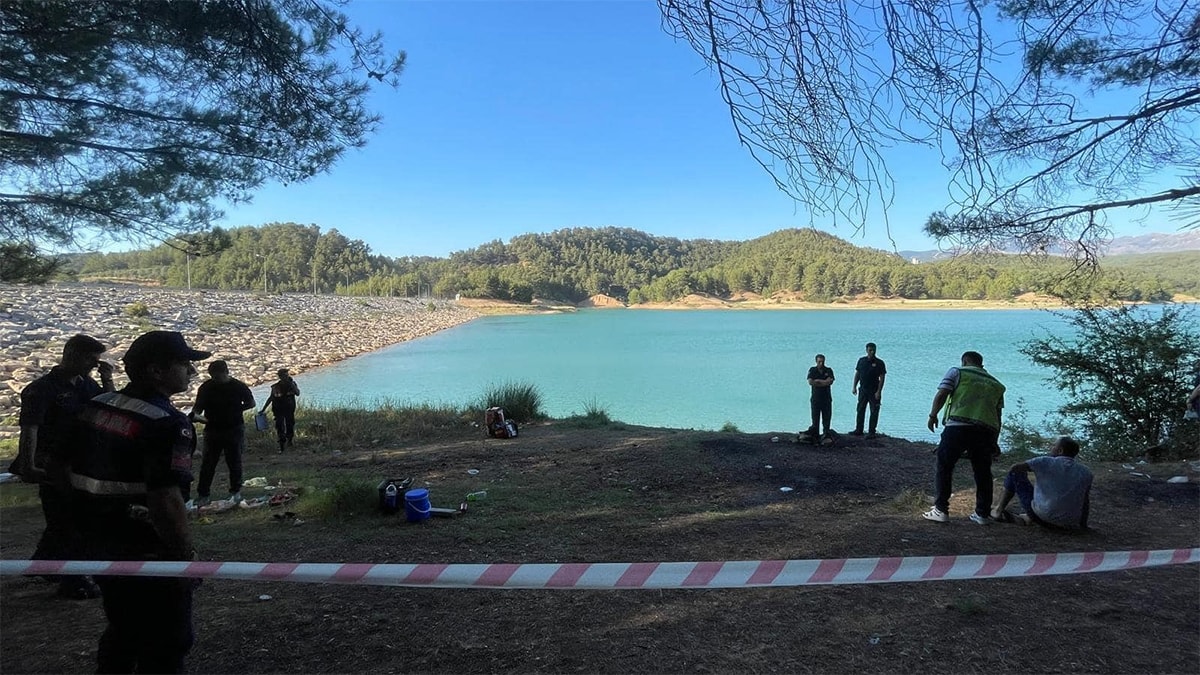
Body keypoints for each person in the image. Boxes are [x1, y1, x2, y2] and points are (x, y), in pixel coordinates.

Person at [69, 330, 210, 673]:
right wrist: (184, 557)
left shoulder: (97, 405)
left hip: (96, 539)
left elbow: (62, 468)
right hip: (146, 548)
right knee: (169, 640)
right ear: (156, 371)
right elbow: (166, 500)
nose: (191, 373)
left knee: (123, 628)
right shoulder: (167, 424)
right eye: (184, 364)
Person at [10, 334, 114, 599]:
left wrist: (107, 379)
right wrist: (28, 464)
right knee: (69, 520)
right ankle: (73, 580)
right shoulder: (41, 389)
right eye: (91, 360)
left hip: (77, 460)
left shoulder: (85, 384)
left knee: (63, 517)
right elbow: (30, 429)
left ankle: (44, 564)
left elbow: (108, 406)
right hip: (52, 462)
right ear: (72, 355)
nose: (94, 365)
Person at [923, 350, 1006, 525]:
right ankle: (982, 514)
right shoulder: (996, 384)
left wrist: (932, 415)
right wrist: (995, 441)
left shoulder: (958, 371)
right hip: (985, 431)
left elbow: (942, 393)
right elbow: (998, 415)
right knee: (983, 472)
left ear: (965, 361)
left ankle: (941, 510)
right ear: (981, 364)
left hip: (958, 426)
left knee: (945, 465)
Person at [190, 360, 255, 507]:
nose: (216, 379)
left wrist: (236, 410)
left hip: (234, 428)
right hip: (212, 430)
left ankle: (236, 492)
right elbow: (197, 410)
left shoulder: (238, 386)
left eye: (218, 376)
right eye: (213, 376)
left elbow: (251, 403)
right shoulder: (206, 387)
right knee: (208, 463)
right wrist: (196, 417)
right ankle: (203, 494)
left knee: (234, 461)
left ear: (226, 372)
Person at [991, 436, 1093, 529]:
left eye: (1054, 445)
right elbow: (1085, 500)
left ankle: (998, 511)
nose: (1051, 447)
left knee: (1014, 473)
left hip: (1044, 516)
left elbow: (1014, 468)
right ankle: (1028, 518)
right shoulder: (1086, 472)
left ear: (1060, 450)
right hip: (1069, 522)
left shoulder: (1045, 461)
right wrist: (1083, 525)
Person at [851, 342, 886, 438]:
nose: (872, 352)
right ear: (866, 350)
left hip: (874, 390)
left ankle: (871, 432)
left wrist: (879, 391)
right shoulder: (861, 361)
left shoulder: (880, 363)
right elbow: (857, 374)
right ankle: (859, 429)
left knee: (874, 411)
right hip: (863, 389)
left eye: (874, 350)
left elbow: (882, 378)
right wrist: (854, 386)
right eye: (870, 350)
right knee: (860, 409)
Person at [262, 367, 300, 452]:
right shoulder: (276, 387)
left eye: (287, 375)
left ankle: (289, 441)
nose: (286, 377)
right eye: (284, 376)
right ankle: (282, 444)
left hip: (289, 409)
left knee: (290, 424)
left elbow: (297, 393)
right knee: (280, 426)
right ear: (280, 377)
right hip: (278, 409)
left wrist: (292, 385)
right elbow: (271, 397)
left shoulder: (292, 384)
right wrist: (263, 409)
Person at [803, 354, 835, 440]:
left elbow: (830, 382)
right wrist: (824, 382)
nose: (821, 363)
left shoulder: (829, 370)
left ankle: (826, 435)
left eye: (822, 361)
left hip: (827, 399)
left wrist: (818, 381)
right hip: (815, 399)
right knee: (815, 419)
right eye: (819, 362)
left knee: (827, 419)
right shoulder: (812, 370)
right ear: (816, 361)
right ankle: (815, 436)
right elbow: (810, 382)